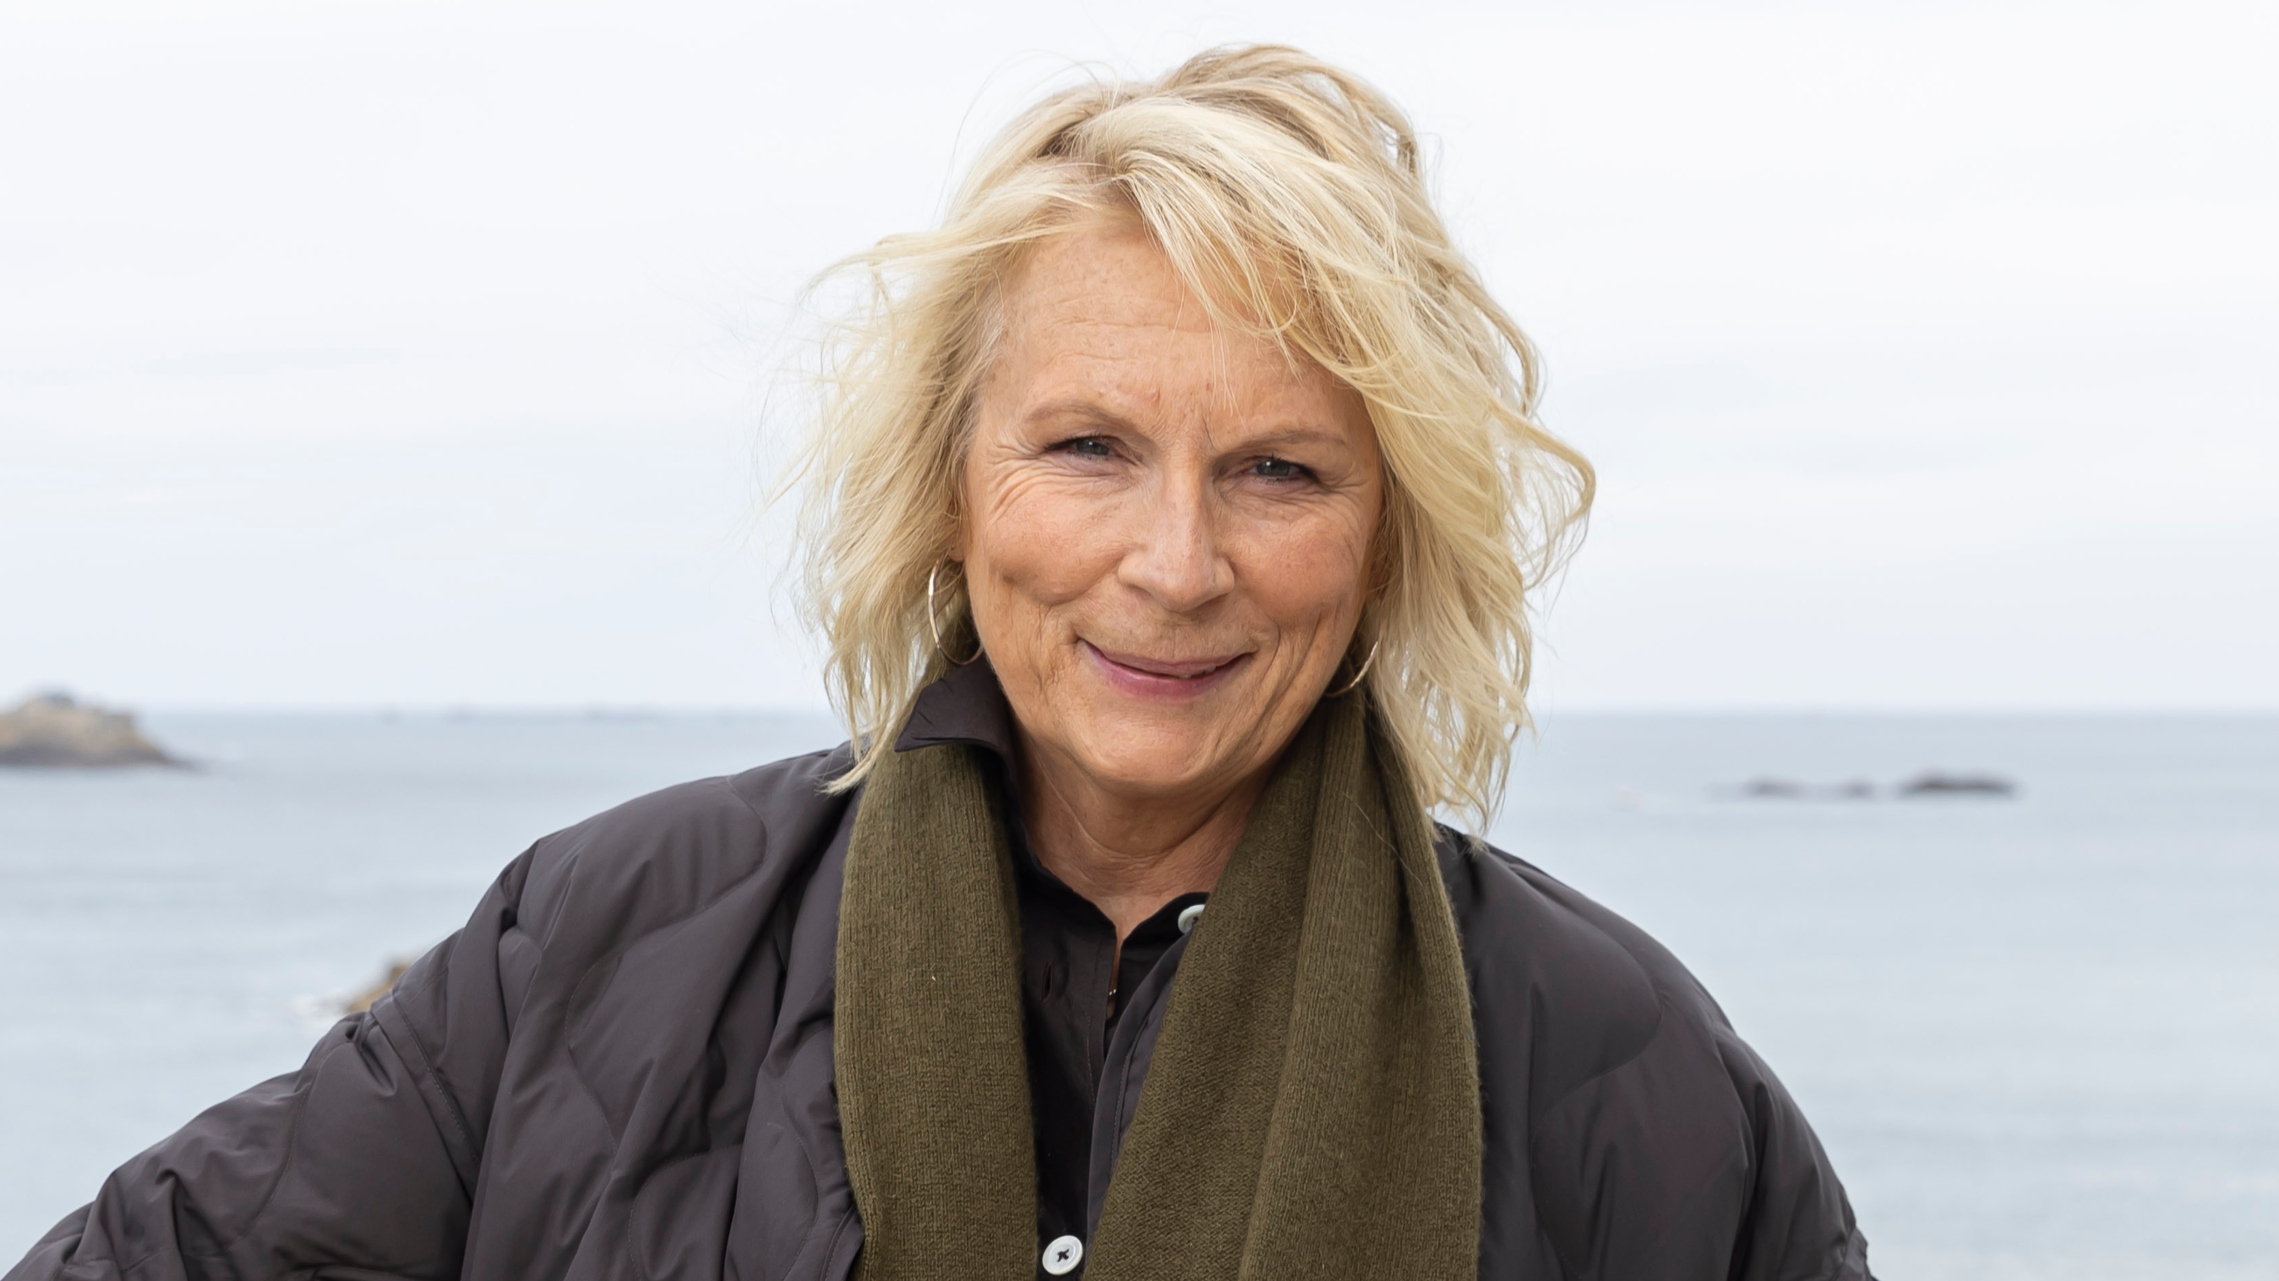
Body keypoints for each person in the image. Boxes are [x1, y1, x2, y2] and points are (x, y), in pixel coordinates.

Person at [9, 45, 1871, 1281]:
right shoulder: (593, 945)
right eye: (1089, 447)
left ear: (1389, 537)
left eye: (1279, 470)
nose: (1176, 562)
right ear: (950, 488)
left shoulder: (1624, 1071)